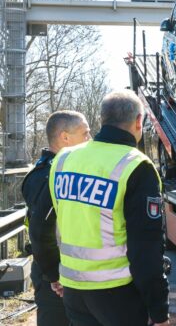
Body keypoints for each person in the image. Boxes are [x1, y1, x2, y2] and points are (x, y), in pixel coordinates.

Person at [49, 90, 170, 326]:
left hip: (73, 289)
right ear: (137, 121)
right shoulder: (136, 166)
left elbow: (57, 221)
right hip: (117, 293)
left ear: (102, 119)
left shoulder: (63, 160)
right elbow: (146, 247)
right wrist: (159, 311)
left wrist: (57, 273)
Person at [22, 110, 91, 326]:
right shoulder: (44, 176)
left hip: (73, 274)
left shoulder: (70, 169)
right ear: (65, 137)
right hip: (55, 277)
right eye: (85, 133)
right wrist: (54, 275)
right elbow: (41, 232)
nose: (90, 139)